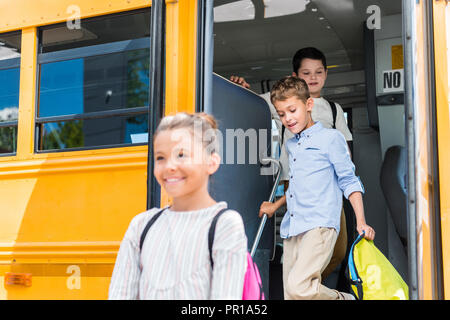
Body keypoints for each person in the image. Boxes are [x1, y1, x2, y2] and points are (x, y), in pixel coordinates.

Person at [231, 47, 352, 279]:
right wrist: (241, 89)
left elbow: (346, 150)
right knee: (301, 245)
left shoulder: (335, 110)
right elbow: (254, 102)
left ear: (326, 74)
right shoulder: (285, 102)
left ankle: (306, 287)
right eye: (306, 73)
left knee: (337, 249)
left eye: (318, 72)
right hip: (297, 184)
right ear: (296, 77)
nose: (313, 78)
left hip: (329, 187)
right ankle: (302, 286)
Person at [108, 112, 247, 300]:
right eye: (160, 158)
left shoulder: (225, 225)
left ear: (212, 163)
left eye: (181, 155)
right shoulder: (141, 225)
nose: (169, 166)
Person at [258, 76, 375, 300]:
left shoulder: (331, 139)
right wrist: (276, 205)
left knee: (299, 287)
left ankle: (347, 299)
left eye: (292, 110)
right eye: (281, 114)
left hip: (319, 224)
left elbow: (349, 180)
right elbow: (298, 185)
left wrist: (361, 221)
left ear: (308, 104)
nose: (288, 119)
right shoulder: (291, 144)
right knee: (292, 296)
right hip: (294, 226)